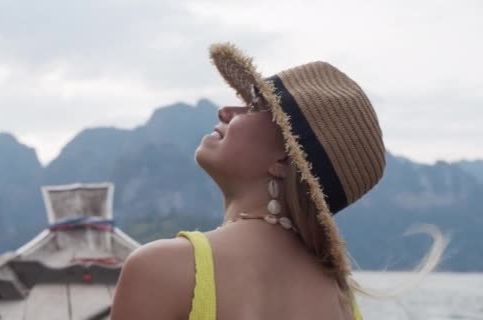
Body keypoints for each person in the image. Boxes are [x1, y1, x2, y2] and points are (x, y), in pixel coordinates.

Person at [109, 42, 428, 319]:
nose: (226, 110)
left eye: (255, 106)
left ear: (284, 159)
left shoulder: (162, 270)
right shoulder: (341, 301)